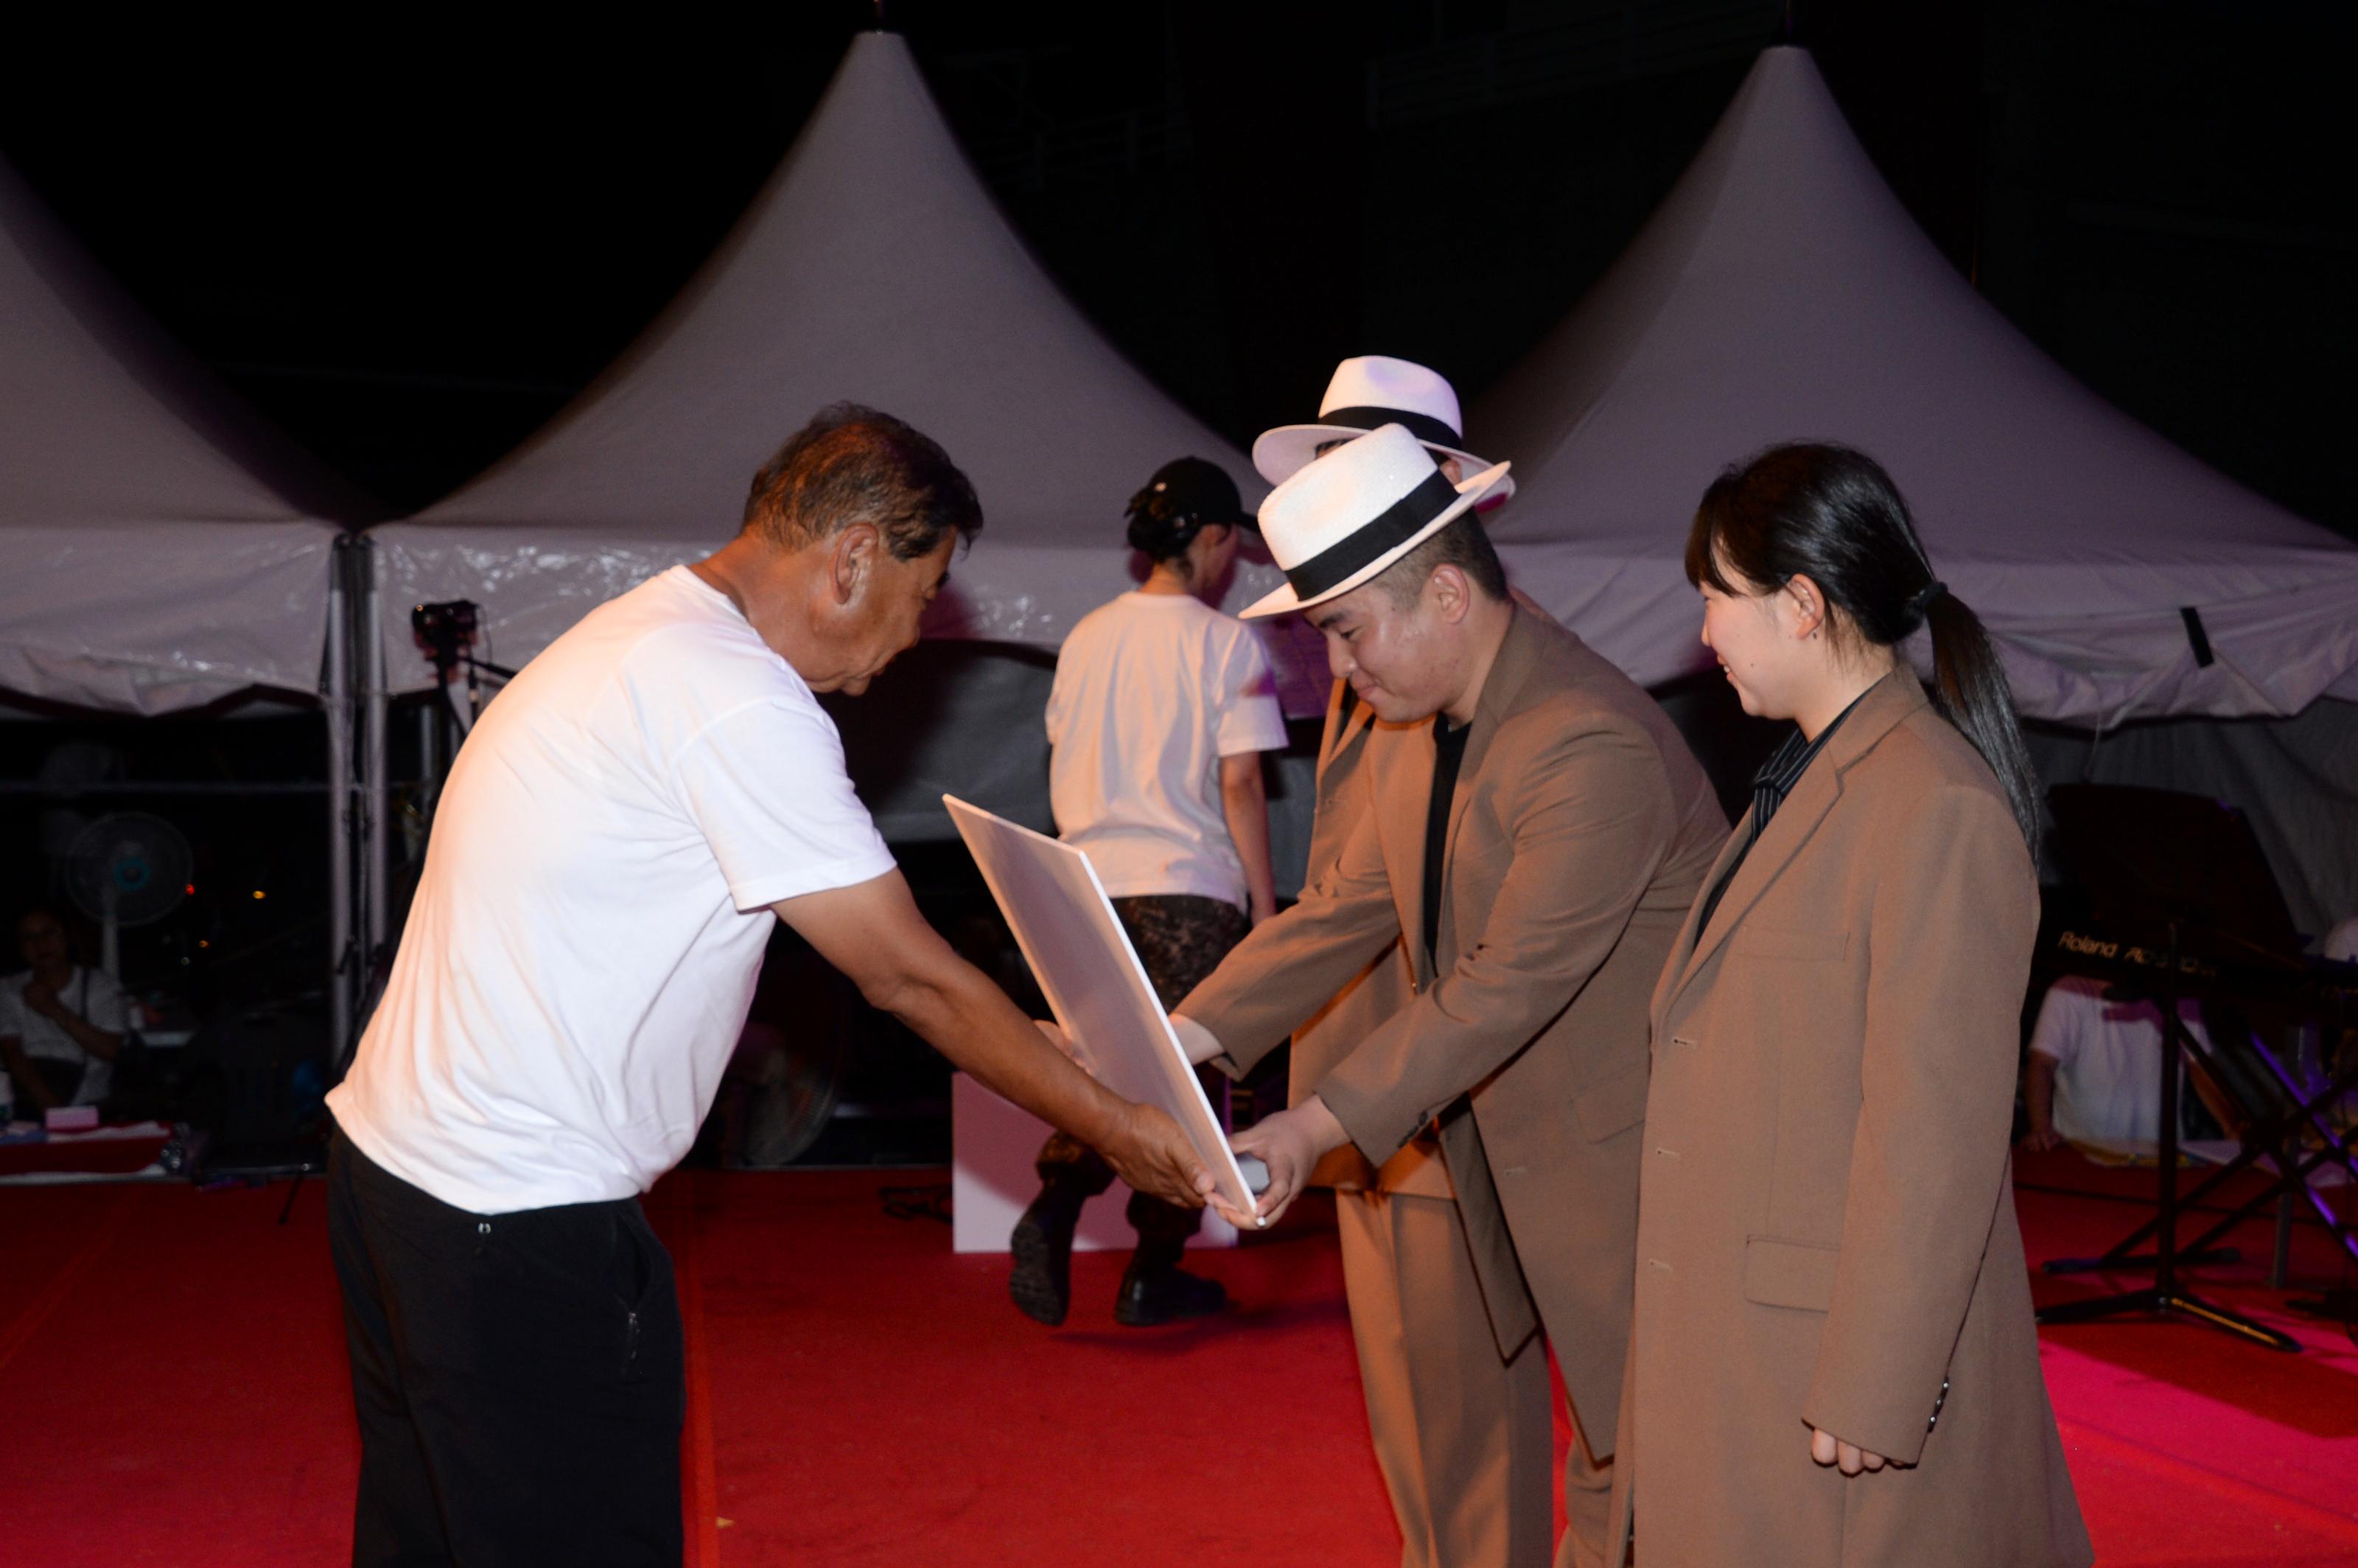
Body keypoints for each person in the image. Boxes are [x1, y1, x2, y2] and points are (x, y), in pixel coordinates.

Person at [324, 404, 1222, 1568]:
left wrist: (1051, 1043)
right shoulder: (738, 696)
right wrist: (1118, 1126)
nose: (910, 644)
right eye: (922, 595)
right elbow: (906, 976)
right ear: (852, 559)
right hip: (516, 1221)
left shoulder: (642, 629)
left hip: (395, 1177)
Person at [1166, 423, 1728, 1568]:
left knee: (1647, 1479)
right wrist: (1177, 1036)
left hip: (1643, 1161)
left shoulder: (1586, 742)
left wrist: (1313, 1126)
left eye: (1349, 636)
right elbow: (1349, 906)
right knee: (1551, 1470)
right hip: (1506, 1141)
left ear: (1451, 597)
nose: (1343, 674)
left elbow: (1500, 989)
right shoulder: (1436, 717)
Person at [1611, 444, 2091, 1566]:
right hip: (1749, 1345)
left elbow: (1936, 1133)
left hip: (1828, 1384)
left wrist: (1877, 1386)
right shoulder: (1808, 781)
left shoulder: (1932, 807)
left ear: (1803, 604)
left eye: (1715, 599)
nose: (1706, 631)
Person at [1250, 355, 1558, 1567]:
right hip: (1366, 1092)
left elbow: (1463, 934)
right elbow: (1344, 896)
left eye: (1363, 466)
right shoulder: (1371, 657)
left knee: (1473, 1447)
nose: (1338, 491)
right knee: (1414, 1431)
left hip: (1440, 1098)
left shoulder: (1495, 665)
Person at [1008, 455, 1287, 1328]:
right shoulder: (1227, 641)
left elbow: (1060, 756)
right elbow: (1239, 786)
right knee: (1184, 1089)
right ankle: (1148, 1271)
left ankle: (1056, 1201)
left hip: (1083, 889)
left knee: (1103, 1070)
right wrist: (1265, 908)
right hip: (1186, 888)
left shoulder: (1086, 635)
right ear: (1213, 539)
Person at [2019, 974, 2213, 1151]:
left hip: (2159, 1159)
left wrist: (2232, 1128)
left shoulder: (2177, 996)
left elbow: (2202, 1069)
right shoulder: (2070, 990)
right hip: (2083, 1155)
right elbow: (2042, 1063)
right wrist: (2041, 1128)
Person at [0, 908, 131, 1114]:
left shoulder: (101, 985)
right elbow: (11, 1052)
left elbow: (111, 1051)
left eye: (49, 933)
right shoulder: (8, 988)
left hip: (91, 1102)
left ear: (66, 938)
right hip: (28, 1104)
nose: (40, 943)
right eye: (29, 937)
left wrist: (53, 1008)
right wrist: (48, 1104)